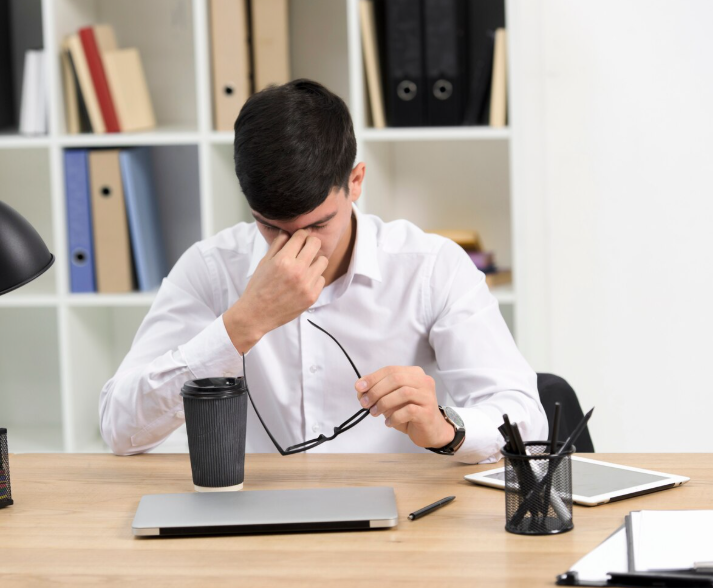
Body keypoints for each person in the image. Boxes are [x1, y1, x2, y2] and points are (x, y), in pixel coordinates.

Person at [99, 79, 547, 464]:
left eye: (317, 224)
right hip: (257, 525)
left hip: (402, 526)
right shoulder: (211, 268)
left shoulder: (431, 267)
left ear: (356, 181)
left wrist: (447, 427)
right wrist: (241, 325)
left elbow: (526, 420)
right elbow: (120, 430)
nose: (297, 245)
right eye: (271, 227)